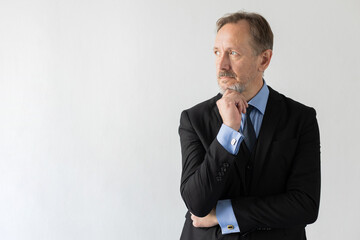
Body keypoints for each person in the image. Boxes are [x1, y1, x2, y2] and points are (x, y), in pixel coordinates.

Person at [178, 11, 320, 240]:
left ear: (263, 59)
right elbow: (197, 203)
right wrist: (227, 132)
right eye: (217, 52)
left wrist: (223, 215)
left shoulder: (300, 119)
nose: (222, 64)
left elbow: (305, 205)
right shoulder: (194, 120)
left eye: (233, 53)